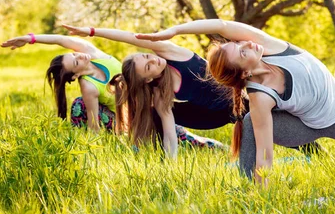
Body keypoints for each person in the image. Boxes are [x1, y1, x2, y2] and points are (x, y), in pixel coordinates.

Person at [137, 19, 335, 184]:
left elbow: (223, 25)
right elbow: (265, 153)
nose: (246, 43)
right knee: (250, 120)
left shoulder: (270, 47)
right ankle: (249, 190)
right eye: (240, 50)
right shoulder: (260, 96)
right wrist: (262, 194)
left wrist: (176, 31)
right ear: (245, 71)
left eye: (238, 43)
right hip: (304, 128)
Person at [0, 32, 225, 151]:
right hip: (128, 121)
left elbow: (62, 39)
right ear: (76, 75)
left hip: (148, 109)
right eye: (75, 62)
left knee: (182, 137)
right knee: (79, 106)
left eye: (74, 54)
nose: (79, 56)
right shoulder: (88, 86)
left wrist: (30, 39)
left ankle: (211, 146)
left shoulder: (93, 53)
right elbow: (94, 125)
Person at [61, 25, 245, 158]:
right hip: (215, 116)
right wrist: (171, 165)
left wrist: (93, 32)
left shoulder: (171, 53)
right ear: (148, 78)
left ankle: (211, 145)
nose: (154, 61)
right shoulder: (159, 92)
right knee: (155, 113)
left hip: (239, 98)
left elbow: (131, 36)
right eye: (148, 67)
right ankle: (146, 147)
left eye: (148, 57)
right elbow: (170, 134)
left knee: (251, 116)